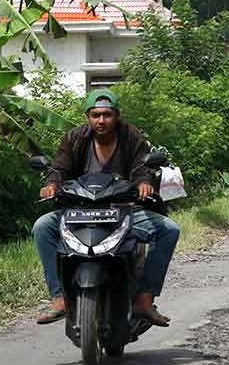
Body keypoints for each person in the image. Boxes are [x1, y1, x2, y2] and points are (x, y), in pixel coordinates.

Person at [32, 89, 179, 327]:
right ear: (87, 117)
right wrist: (51, 185)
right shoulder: (74, 138)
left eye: (107, 115)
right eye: (96, 115)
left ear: (117, 116)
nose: (101, 121)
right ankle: (59, 298)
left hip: (124, 209)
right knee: (42, 227)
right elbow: (59, 168)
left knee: (169, 230)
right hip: (78, 210)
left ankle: (144, 299)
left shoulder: (131, 136)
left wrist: (143, 183)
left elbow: (143, 165)